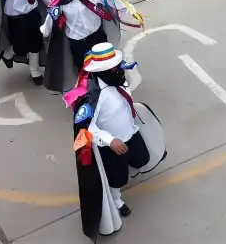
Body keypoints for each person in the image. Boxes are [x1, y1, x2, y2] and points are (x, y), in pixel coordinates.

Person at [68, 42, 166, 238]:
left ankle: (125, 168)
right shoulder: (92, 99)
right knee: (118, 179)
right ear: (103, 72)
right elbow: (86, 129)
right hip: (113, 144)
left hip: (131, 132)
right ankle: (117, 199)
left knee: (142, 159)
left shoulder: (118, 81)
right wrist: (110, 140)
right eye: (115, 67)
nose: (120, 70)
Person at [41, 0, 143, 92]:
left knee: (107, 63)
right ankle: (90, 92)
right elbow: (52, 19)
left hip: (97, 36)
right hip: (78, 42)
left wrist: (132, 12)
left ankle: (114, 86)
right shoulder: (61, 0)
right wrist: (45, 31)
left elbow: (114, 1)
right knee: (84, 70)